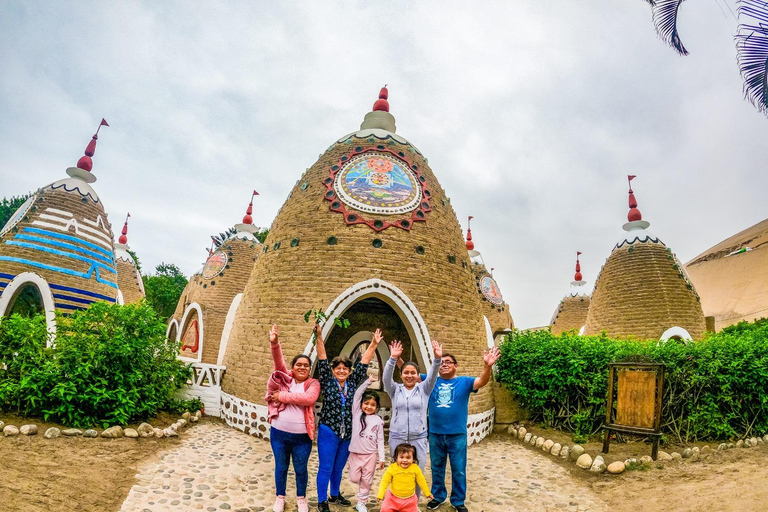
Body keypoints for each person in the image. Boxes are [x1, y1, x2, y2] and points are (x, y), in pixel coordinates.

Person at [315, 324, 382, 512]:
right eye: (339, 368)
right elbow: (321, 356)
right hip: (329, 429)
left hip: (347, 433)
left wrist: (374, 344)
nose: (342, 371)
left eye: (345, 368)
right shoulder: (328, 380)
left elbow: (364, 363)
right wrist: (319, 335)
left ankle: (334, 494)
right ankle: (322, 500)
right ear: (333, 369)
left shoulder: (353, 382)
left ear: (349, 371)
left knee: (338, 467)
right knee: (326, 467)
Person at [425, 347, 501, 512]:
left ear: (456, 366)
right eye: (442, 362)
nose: (444, 365)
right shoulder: (431, 381)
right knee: (437, 467)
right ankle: (438, 496)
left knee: (458, 469)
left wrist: (487, 366)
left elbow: (481, 381)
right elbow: (410, 375)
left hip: (456, 435)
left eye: (448, 362)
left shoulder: (464, 382)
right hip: (435, 433)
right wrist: (397, 359)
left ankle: (458, 501)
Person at [265, 324, 320, 512]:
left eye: (306, 365)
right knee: (281, 467)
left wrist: (281, 397)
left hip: (302, 437)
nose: (302, 367)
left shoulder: (313, 384)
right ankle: (280, 497)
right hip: (279, 434)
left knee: (301, 469)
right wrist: (275, 343)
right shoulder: (285, 379)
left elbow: (308, 399)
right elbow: (278, 362)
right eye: (299, 364)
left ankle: (301, 498)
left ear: (310, 369)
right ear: (293, 367)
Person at [382, 339, 442, 478]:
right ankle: (397, 500)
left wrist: (437, 359)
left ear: (417, 375)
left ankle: (414, 500)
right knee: (397, 472)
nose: (409, 376)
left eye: (413, 373)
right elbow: (386, 378)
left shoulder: (424, 389)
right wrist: (392, 358)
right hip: (397, 436)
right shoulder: (395, 389)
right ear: (401, 375)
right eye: (406, 373)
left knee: (417, 473)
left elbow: (433, 376)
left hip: (418, 437)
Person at [347, 375, 386, 512]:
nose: (369, 407)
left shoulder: (378, 421)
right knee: (354, 478)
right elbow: (357, 394)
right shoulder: (356, 413)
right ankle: (361, 492)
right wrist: (368, 382)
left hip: (370, 455)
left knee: (367, 480)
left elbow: (380, 440)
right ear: (362, 404)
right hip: (355, 453)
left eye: (373, 405)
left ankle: (361, 502)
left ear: (377, 407)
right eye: (366, 403)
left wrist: (382, 458)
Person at [377, 443, 433, 512]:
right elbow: (384, 481)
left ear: (413, 459)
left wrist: (427, 493)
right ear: (396, 458)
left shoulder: (415, 468)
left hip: (409, 501)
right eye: (401, 457)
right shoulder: (392, 468)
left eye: (408, 457)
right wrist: (380, 494)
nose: (404, 460)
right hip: (392, 499)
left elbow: (422, 482)